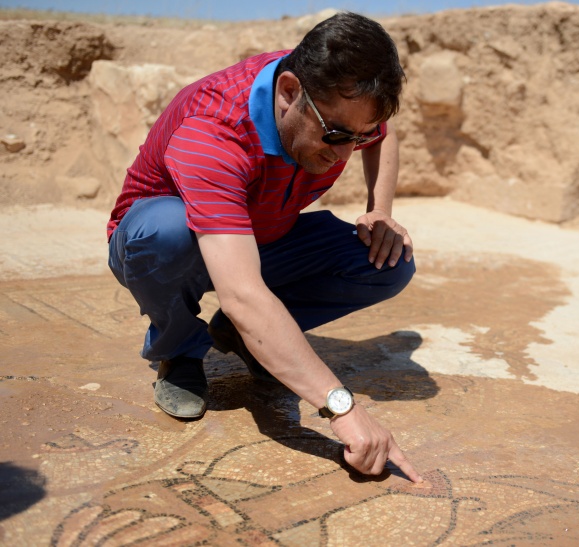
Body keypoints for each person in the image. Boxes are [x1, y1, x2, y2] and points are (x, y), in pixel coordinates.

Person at [107, 12, 422, 483]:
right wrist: (341, 407)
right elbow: (240, 291)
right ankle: (179, 350)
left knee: (386, 260)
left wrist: (381, 209)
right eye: (335, 136)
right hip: (171, 243)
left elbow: (383, 134)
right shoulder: (214, 129)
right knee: (168, 233)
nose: (342, 155)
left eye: (355, 139)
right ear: (289, 92)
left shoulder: (338, 99)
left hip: (257, 236)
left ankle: (240, 335)